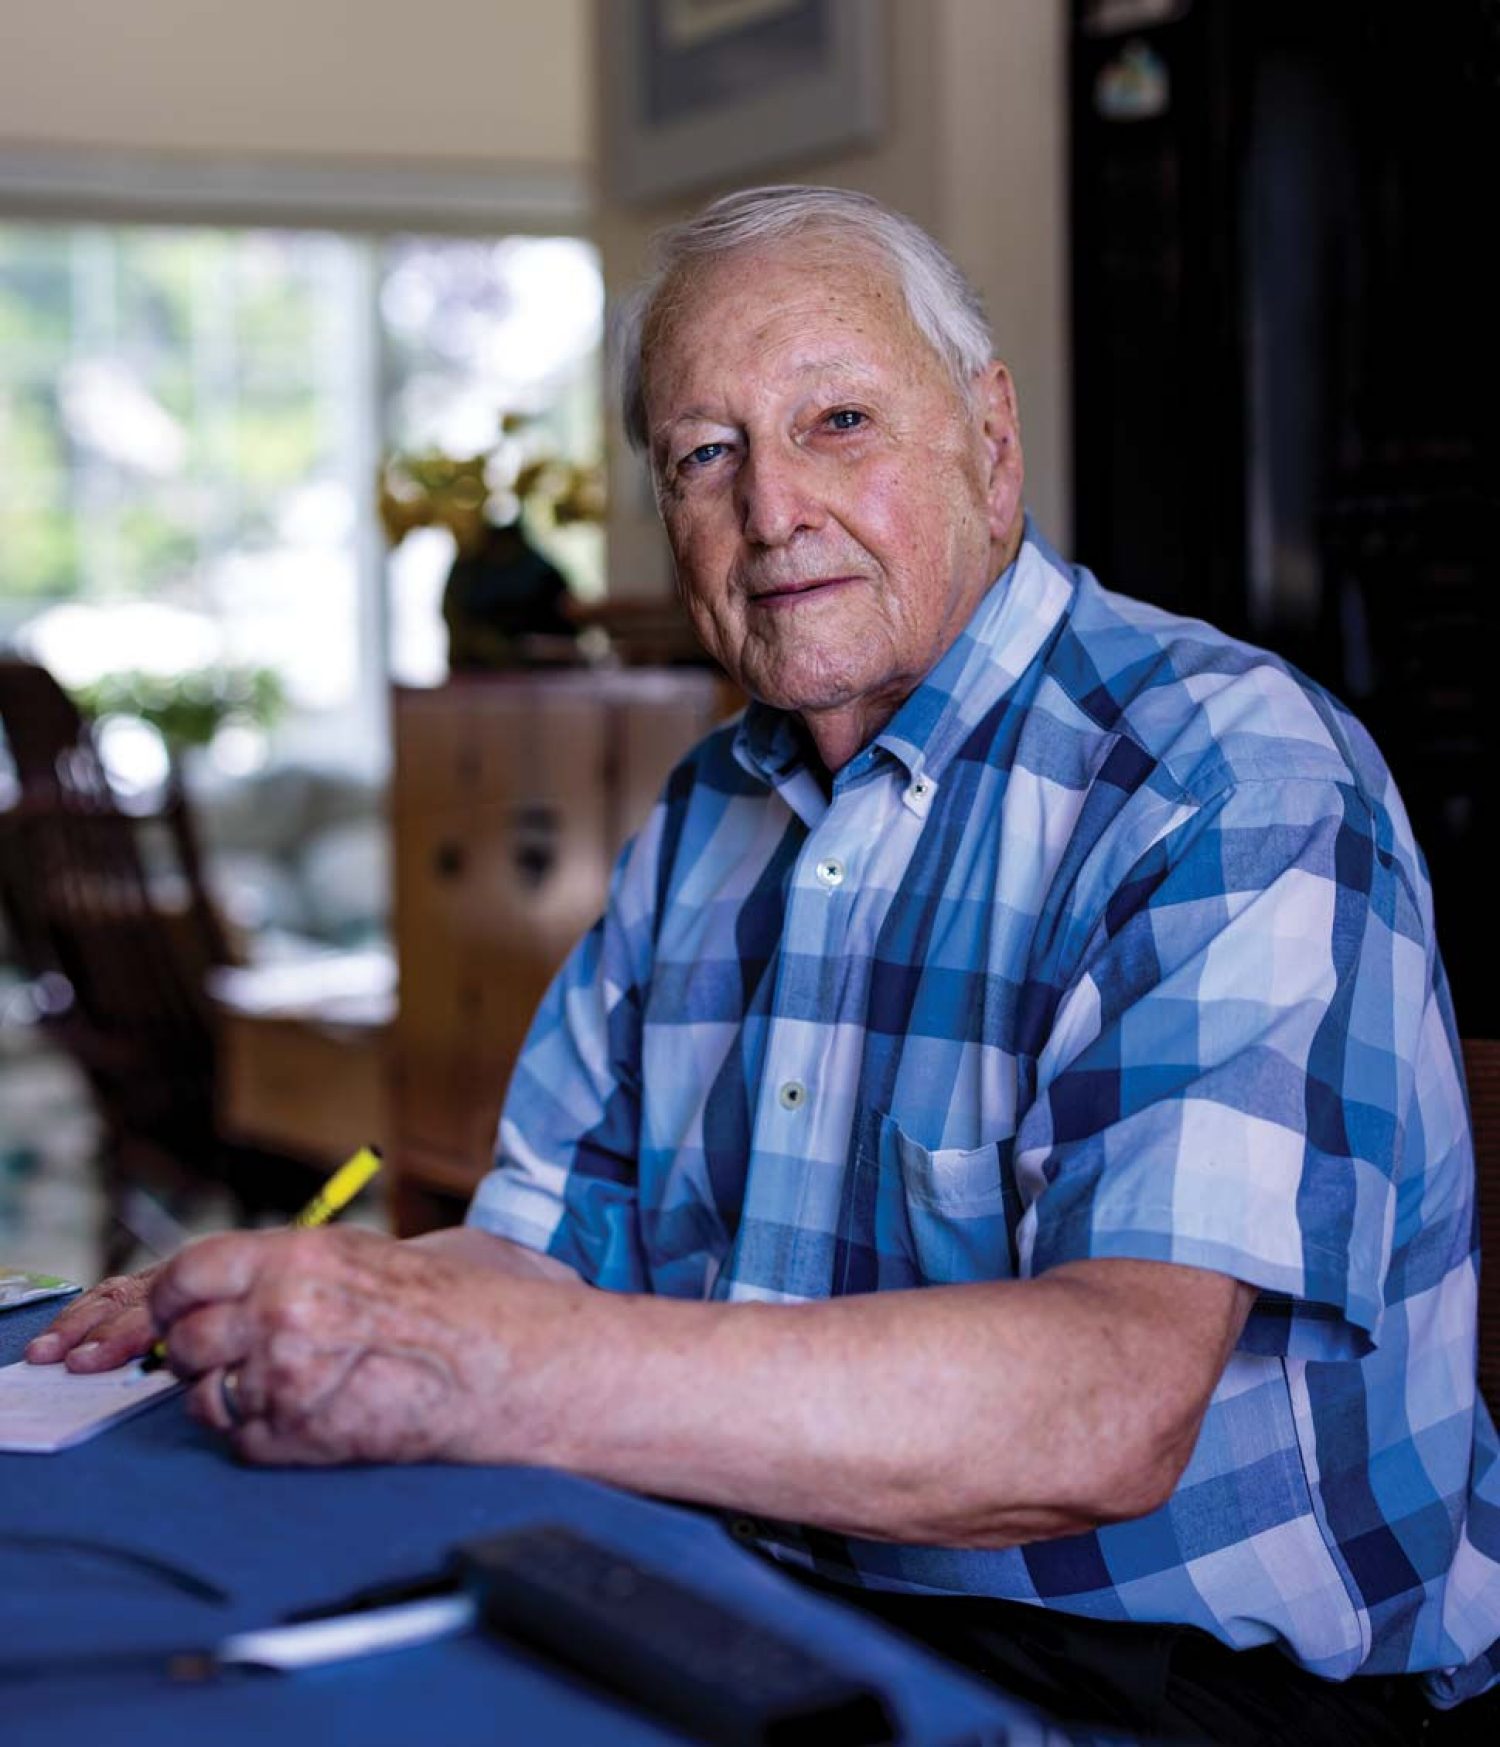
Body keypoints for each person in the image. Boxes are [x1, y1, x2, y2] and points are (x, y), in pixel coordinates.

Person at [29, 186, 1500, 1742]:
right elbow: (537, 1244)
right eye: (707, 455)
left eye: (840, 420)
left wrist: (501, 1372)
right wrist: (313, 1299)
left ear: (990, 440)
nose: (774, 510)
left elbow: (1106, 1415)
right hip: (754, 1596)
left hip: (1181, 1689)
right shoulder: (709, 809)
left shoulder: (1224, 774)